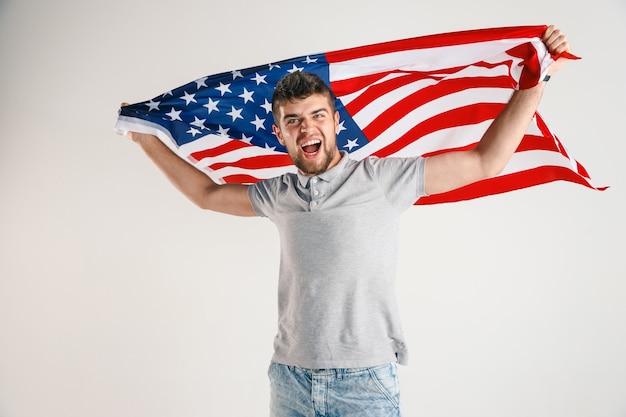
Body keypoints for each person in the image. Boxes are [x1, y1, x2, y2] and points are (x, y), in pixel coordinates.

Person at [122, 25, 570, 417]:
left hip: (365, 383)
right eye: (293, 121)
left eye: (317, 116)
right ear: (279, 134)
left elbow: (484, 161)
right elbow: (207, 194)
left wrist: (535, 81)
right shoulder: (279, 193)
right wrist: (147, 140)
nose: (306, 128)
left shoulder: (383, 179)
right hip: (290, 378)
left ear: (336, 122)